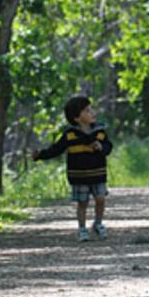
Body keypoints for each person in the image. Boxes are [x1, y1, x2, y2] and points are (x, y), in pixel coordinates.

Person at [32, 94, 113, 242]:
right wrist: (40, 155)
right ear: (76, 118)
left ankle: (98, 223)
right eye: (87, 111)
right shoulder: (69, 135)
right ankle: (82, 228)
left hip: (98, 173)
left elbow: (108, 147)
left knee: (100, 199)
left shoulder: (100, 132)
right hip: (79, 175)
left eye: (91, 109)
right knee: (82, 203)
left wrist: (101, 147)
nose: (92, 112)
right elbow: (56, 149)